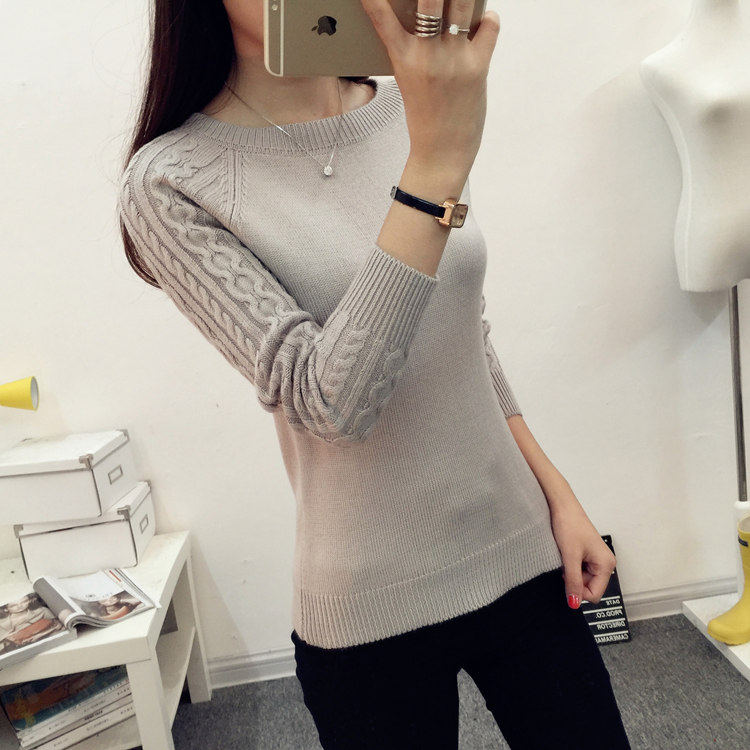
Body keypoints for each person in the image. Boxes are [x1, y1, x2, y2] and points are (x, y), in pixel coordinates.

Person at [117, 0, 631, 747]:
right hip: (369, 605)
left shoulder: (404, 111)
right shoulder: (170, 181)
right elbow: (329, 405)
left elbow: (464, 334)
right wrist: (434, 165)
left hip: (520, 546)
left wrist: (560, 495)